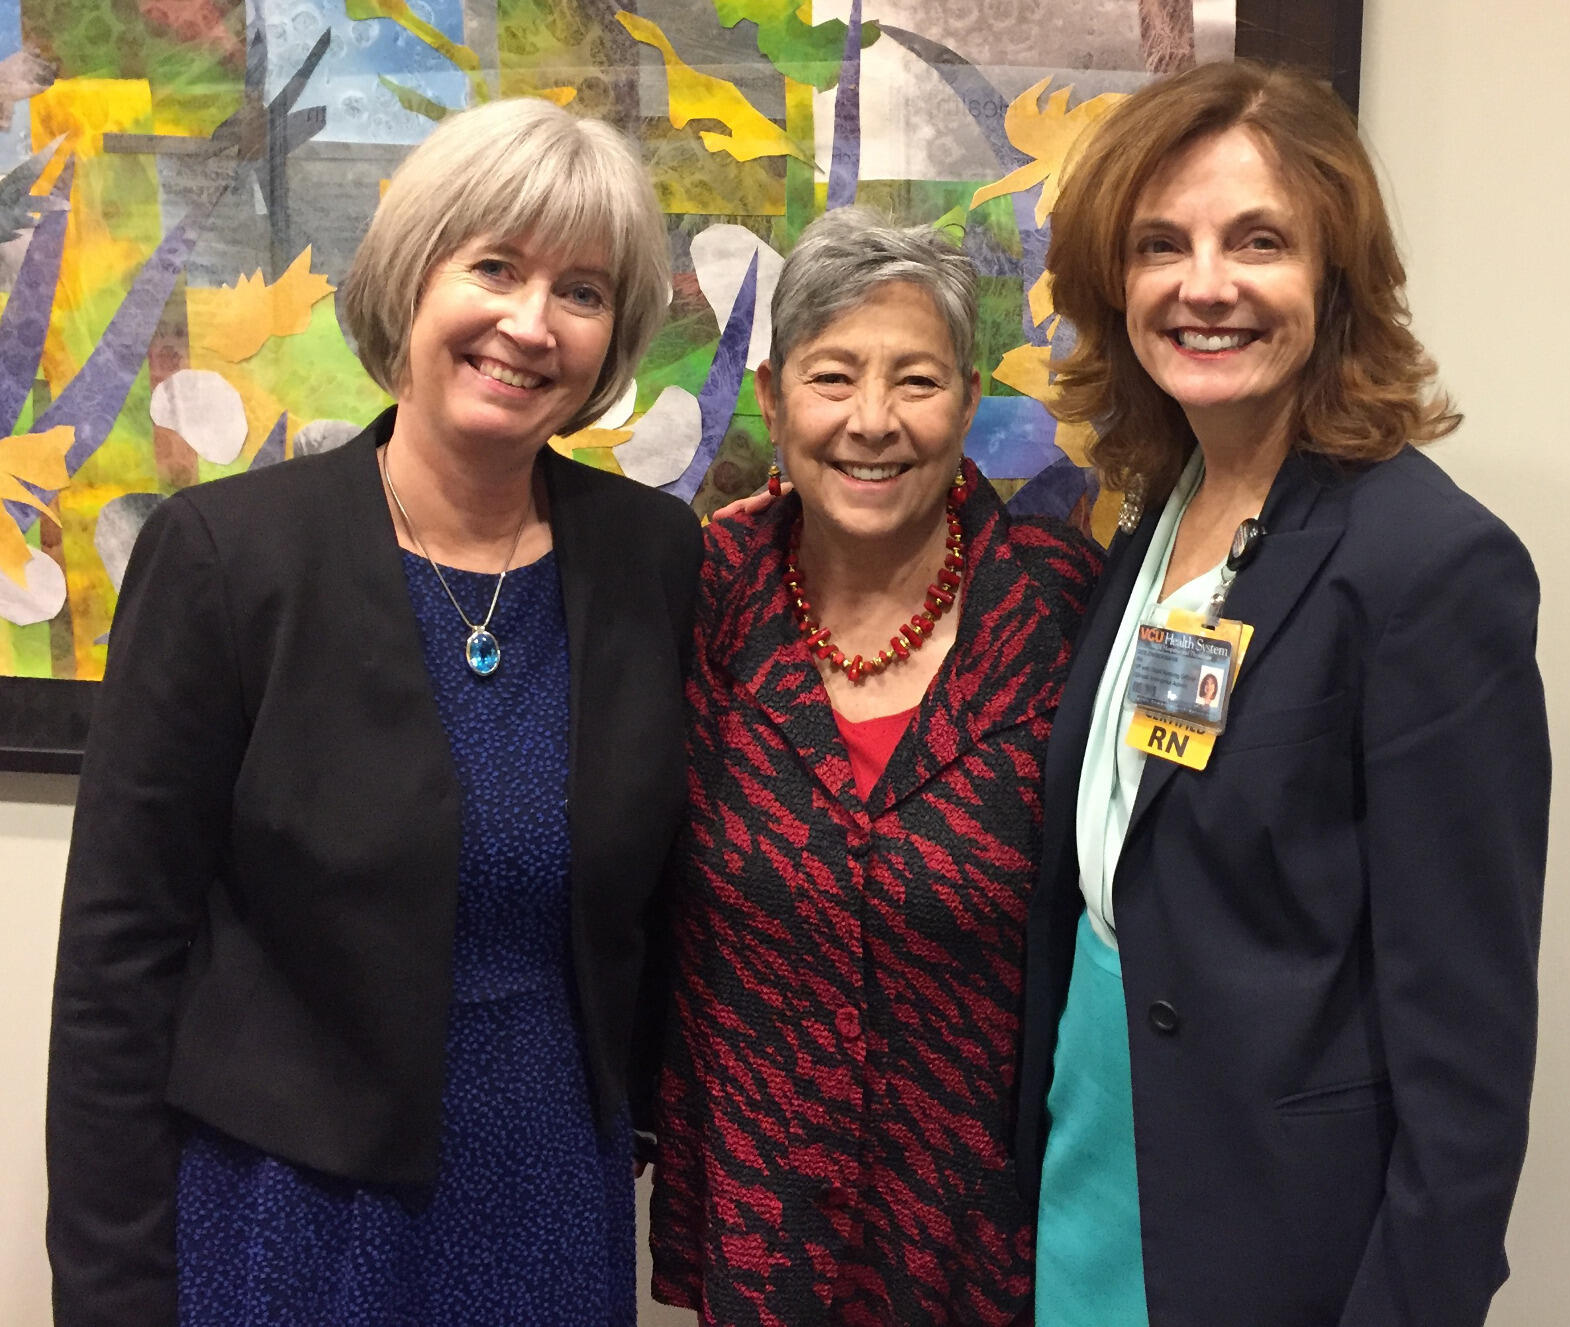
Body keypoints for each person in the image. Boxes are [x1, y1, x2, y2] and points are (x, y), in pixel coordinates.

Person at [46, 98, 701, 1326]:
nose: (530, 322)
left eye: (581, 289)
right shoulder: (229, 558)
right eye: (495, 266)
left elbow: (664, 905)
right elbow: (116, 969)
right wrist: (111, 1293)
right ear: (413, 278)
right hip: (293, 1216)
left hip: (552, 1196)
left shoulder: (650, 558)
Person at [1018, 60, 1549, 1327]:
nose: (1204, 285)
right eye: (1161, 245)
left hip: (1276, 1235)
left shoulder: (1427, 567)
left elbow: (1465, 1051)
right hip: (1097, 1150)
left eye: (1256, 241)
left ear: (1335, 278)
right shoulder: (1155, 515)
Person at [646, 206, 1102, 1326]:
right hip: (763, 1216)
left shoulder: (1056, 600)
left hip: (987, 1226)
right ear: (771, 398)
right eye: (833, 376)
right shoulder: (701, 594)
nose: (871, 421)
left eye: (916, 380)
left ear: (965, 403)